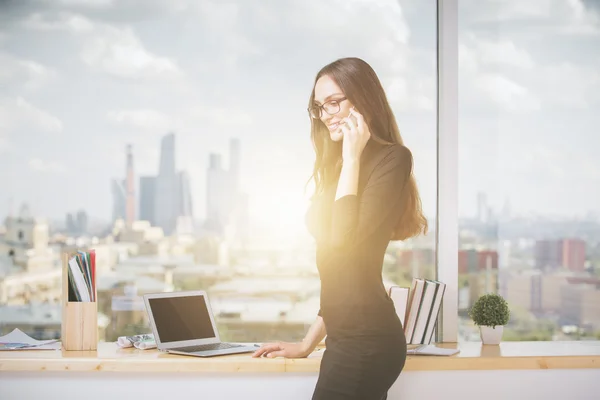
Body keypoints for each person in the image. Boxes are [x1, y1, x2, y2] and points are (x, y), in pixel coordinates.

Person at [252, 57, 428, 400]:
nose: (326, 113)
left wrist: (351, 158)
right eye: (319, 106)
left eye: (334, 101)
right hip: (344, 340)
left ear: (364, 99)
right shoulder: (336, 169)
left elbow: (343, 241)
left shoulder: (393, 159)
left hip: (369, 341)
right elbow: (338, 271)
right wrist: (307, 343)